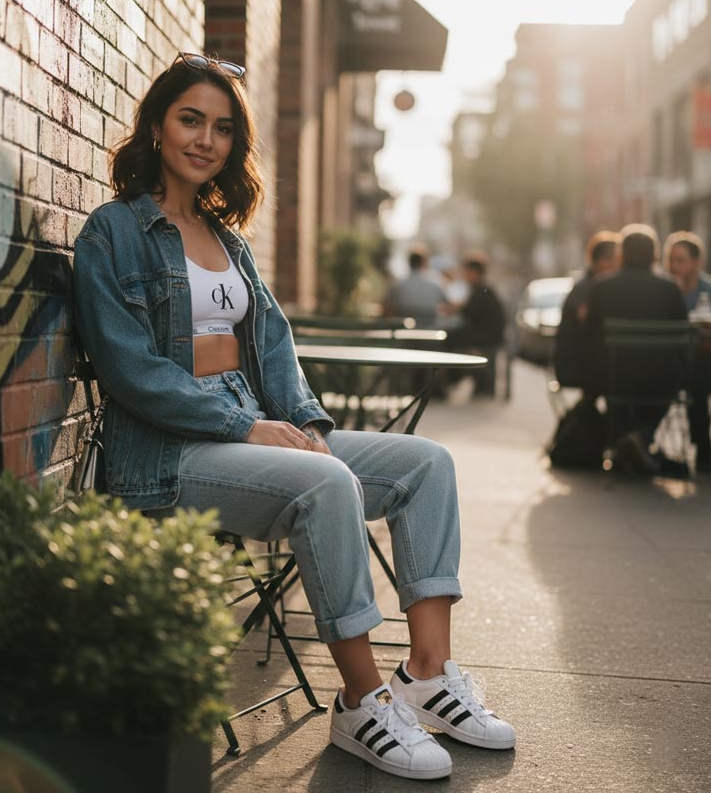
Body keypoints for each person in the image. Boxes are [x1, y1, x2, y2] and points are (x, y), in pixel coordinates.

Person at [72, 51, 515, 781]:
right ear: (156, 127)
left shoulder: (229, 242)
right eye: (190, 119)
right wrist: (247, 428)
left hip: (248, 433)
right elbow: (130, 372)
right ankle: (363, 701)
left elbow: (273, 348)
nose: (204, 139)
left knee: (426, 463)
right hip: (163, 455)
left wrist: (306, 425)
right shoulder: (112, 232)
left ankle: (428, 674)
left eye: (221, 128)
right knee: (327, 485)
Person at [583, 224, 688, 474]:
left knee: (613, 381)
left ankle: (627, 440)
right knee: (671, 380)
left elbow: (589, 334)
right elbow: (682, 335)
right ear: (654, 256)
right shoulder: (670, 289)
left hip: (612, 375)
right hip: (661, 379)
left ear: (621, 255)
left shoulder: (602, 287)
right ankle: (641, 435)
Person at [664, 231, 711, 471]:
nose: (673, 266)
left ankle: (702, 445)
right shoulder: (663, 290)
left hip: (700, 361)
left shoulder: (707, 289)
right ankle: (703, 446)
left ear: (696, 262)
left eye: (680, 260)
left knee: (700, 373)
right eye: (670, 260)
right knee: (698, 377)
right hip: (669, 366)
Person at [554, 230, 619, 389]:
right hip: (578, 366)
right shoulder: (586, 288)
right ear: (603, 262)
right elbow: (589, 321)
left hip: (586, 362)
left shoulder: (588, 285)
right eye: (618, 260)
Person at [444, 251, 506, 396]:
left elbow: (470, 313)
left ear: (475, 272)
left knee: (448, 338)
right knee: (451, 336)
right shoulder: (483, 290)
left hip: (486, 337)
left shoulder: (482, 291)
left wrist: (456, 308)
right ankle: (458, 377)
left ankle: (453, 377)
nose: (465, 275)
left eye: (467, 272)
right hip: (488, 334)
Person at [383, 245, 447, 328]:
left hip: (403, 332)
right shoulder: (436, 284)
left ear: (409, 263)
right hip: (431, 332)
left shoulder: (397, 285)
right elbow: (447, 306)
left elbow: (386, 307)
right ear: (424, 263)